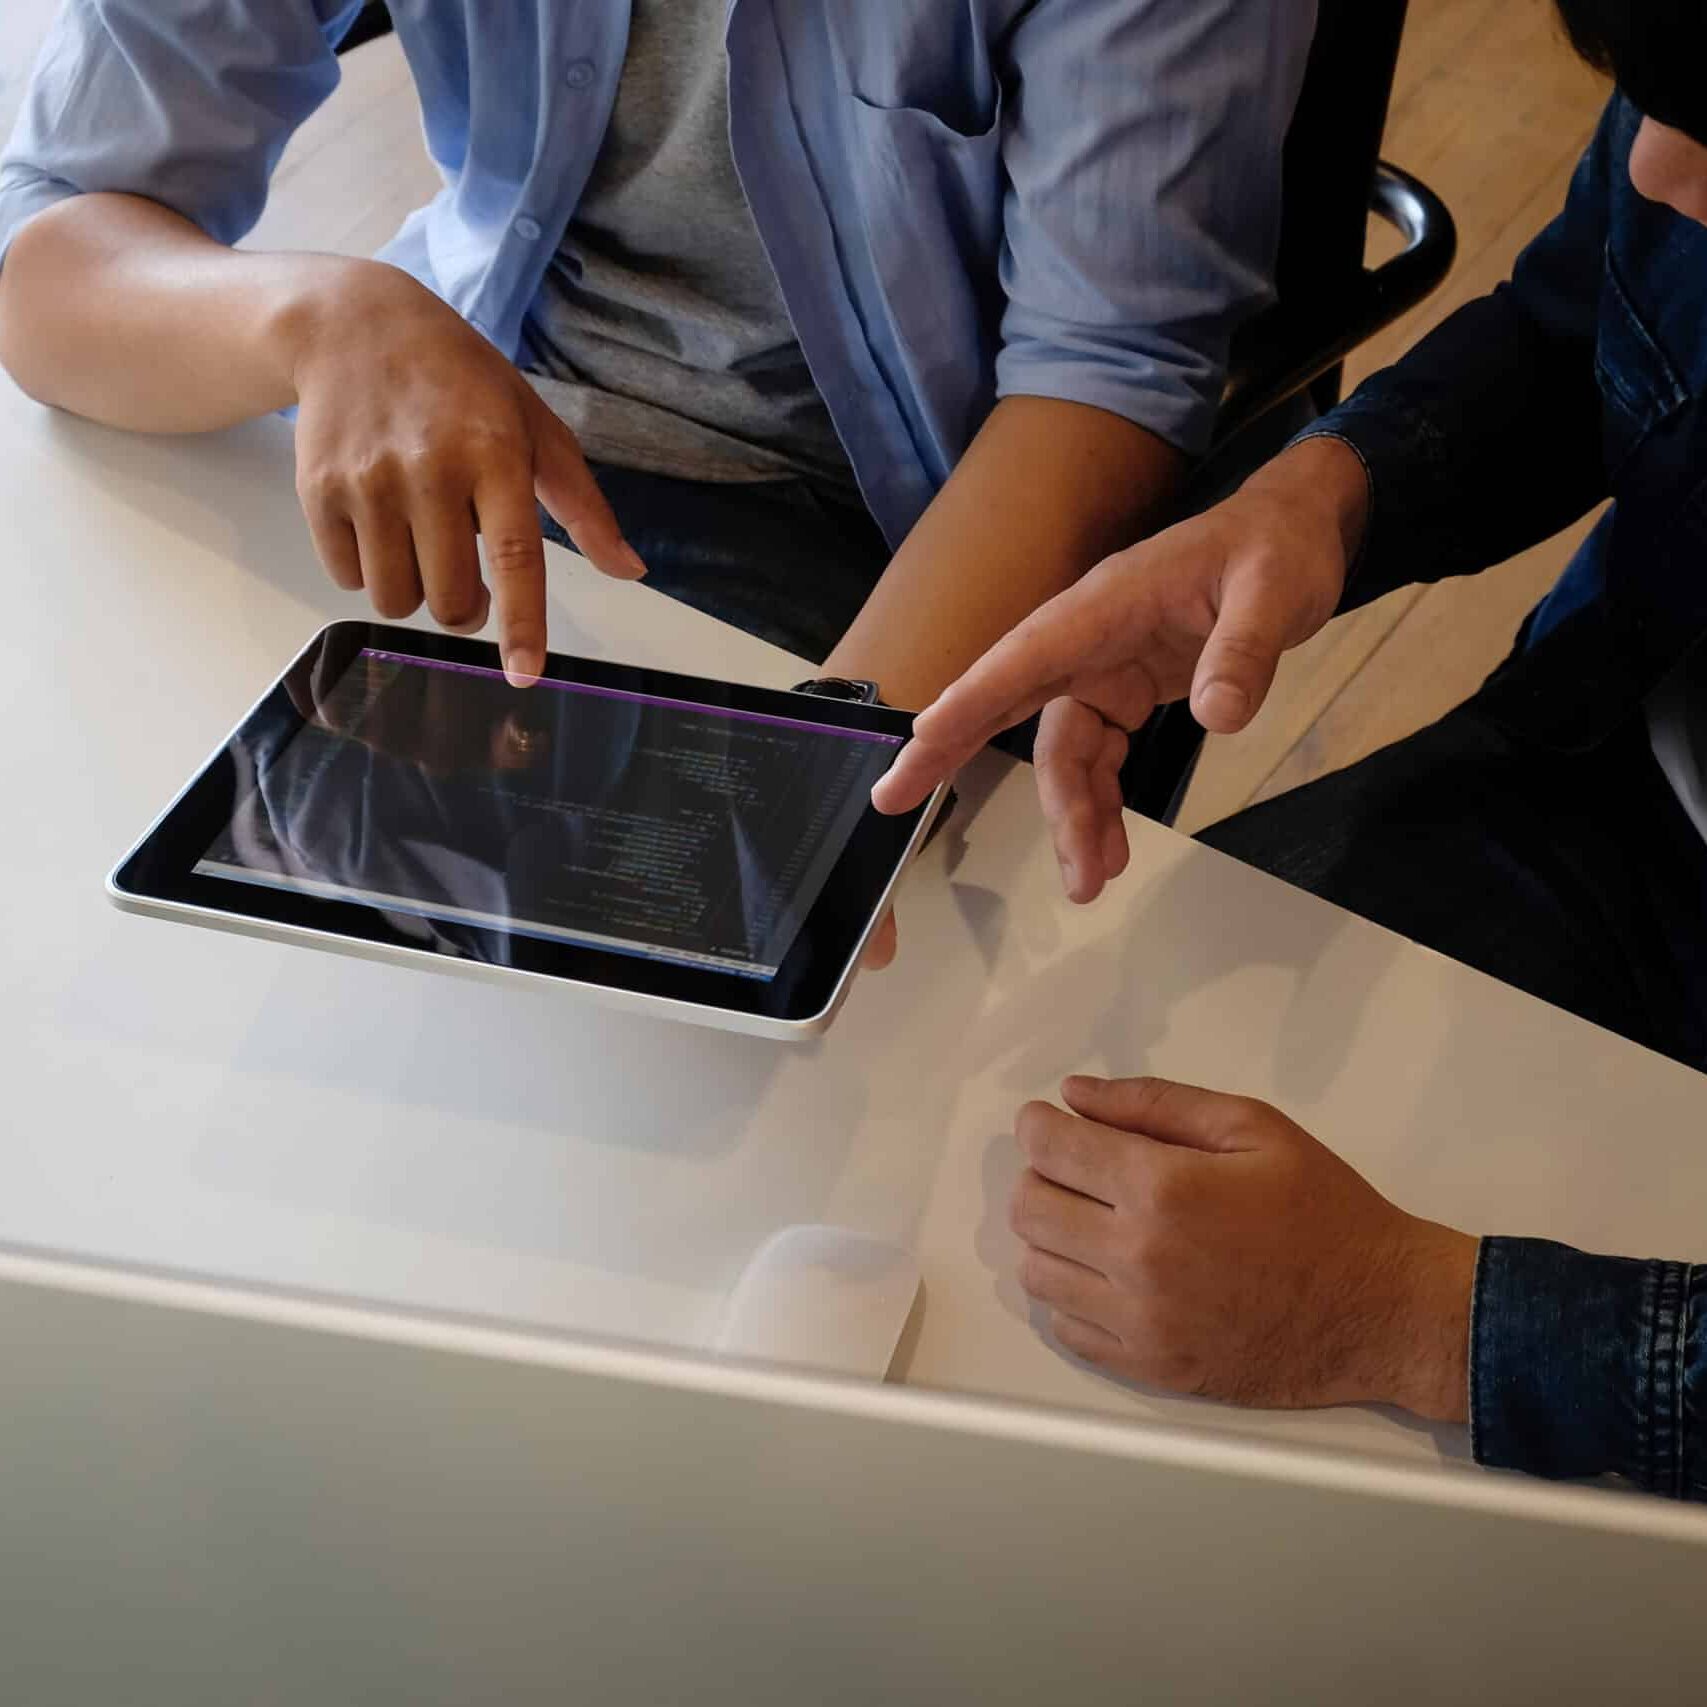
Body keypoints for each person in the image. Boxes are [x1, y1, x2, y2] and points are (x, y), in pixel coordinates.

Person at [874, 0, 1707, 1500]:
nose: (1655, 171)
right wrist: (1318, 497)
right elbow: (1582, 316)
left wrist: (1411, 1316)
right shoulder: (1685, 141)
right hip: (1606, 768)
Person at [0, 0, 1308, 723]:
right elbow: (51, 236)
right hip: (454, 400)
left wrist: (826, 769)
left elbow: (1106, 381)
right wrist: (321, 315)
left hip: (871, 535)